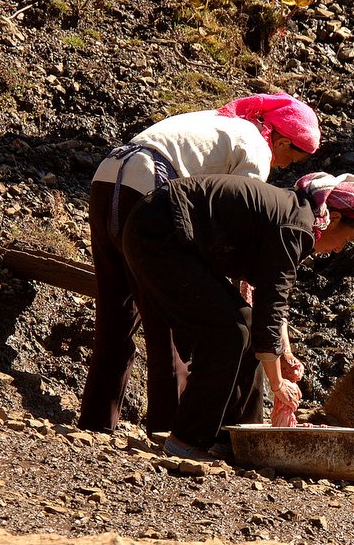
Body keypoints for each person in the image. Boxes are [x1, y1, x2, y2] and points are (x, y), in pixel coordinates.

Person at [79, 93, 320, 435]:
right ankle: (168, 430)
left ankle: (95, 423)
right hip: (150, 188)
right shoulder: (255, 149)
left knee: (115, 316)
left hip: (107, 178)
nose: (284, 166)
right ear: (280, 140)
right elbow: (240, 226)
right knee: (168, 324)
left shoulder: (219, 123)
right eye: (290, 157)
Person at [121, 172, 354, 460]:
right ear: (336, 218)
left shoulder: (297, 217)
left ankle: (236, 439)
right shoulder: (296, 226)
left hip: (169, 233)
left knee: (246, 327)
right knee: (230, 332)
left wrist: (284, 355)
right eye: (347, 239)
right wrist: (278, 385)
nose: (340, 248)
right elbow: (270, 311)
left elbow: (270, 302)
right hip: (159, 231)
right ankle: (186, 440)